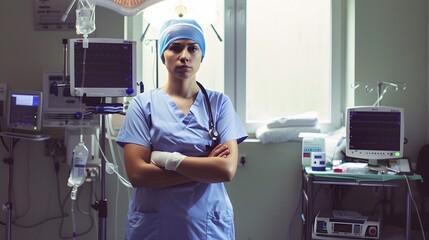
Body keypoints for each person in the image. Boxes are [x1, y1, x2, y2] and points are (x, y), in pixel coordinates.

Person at [116, 18, 248, 240]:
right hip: (155, 227)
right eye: (175, 47)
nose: (184, 55)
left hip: (207, 226)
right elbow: (137, 174)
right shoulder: (143, 105)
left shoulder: (219, 104)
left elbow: (226, 170)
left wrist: (166, 159)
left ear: (201, 56)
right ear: (163, 55)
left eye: (193, 48)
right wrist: (205, 166)